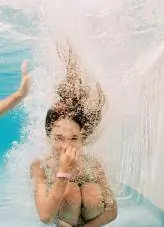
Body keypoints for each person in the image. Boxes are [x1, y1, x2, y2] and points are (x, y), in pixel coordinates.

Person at [30, 45, 117, 227]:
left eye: (74, 138)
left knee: (92, 190)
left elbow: (112, 210)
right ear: (48, 136)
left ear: (82, 137)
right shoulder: (40, 166)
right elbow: (45, 216)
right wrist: (63, 172)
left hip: (88, 223)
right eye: (59, 138)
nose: (66, 146)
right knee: (70, 190)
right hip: (60, 221)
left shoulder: (93, 166)